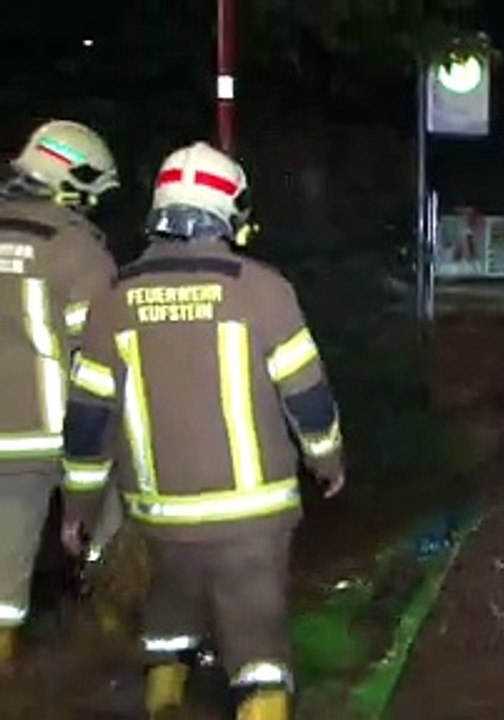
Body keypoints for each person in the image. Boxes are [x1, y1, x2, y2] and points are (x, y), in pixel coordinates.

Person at [59, 141, 346, 720]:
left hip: (158, 520)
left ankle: (163, 700)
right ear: (229, 213)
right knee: (259, 658)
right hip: (252, 523)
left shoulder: (112, 302)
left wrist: (79, 509)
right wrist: (328, 461)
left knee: (166, 633)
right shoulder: (264, 290)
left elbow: (88, 424)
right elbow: (308, 398)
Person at [0, 119, 119, 674]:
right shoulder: (75, 250)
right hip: (62, 431)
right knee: (113, 537)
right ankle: (117, 650)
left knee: (3, 581)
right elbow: (100, 353)